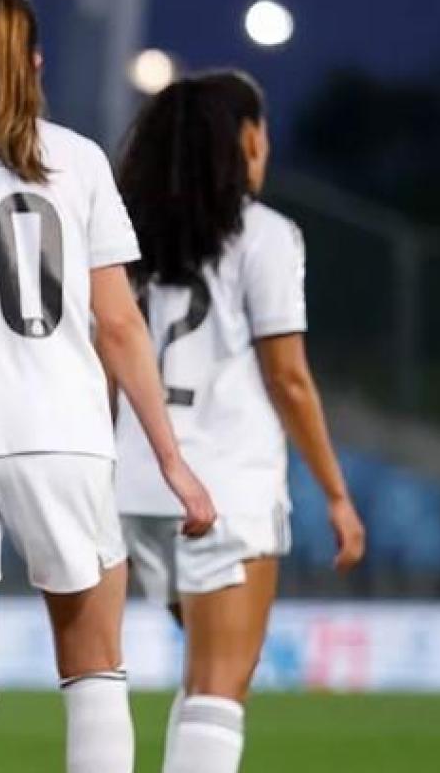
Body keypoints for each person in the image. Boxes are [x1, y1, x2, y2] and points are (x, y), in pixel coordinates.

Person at [0, 0, 216, 773]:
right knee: (92, 667)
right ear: (36, 63)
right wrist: (172, 461)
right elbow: (119, 325)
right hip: (62, 438)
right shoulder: (76, 159)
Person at [113, 70, 366, 773]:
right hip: (225, 487)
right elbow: (287, 375)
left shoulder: (128, 235)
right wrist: (337, 493)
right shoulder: (265, 236)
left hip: (137, 486)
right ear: (249, 139)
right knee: (221, 688)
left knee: (201, 677)